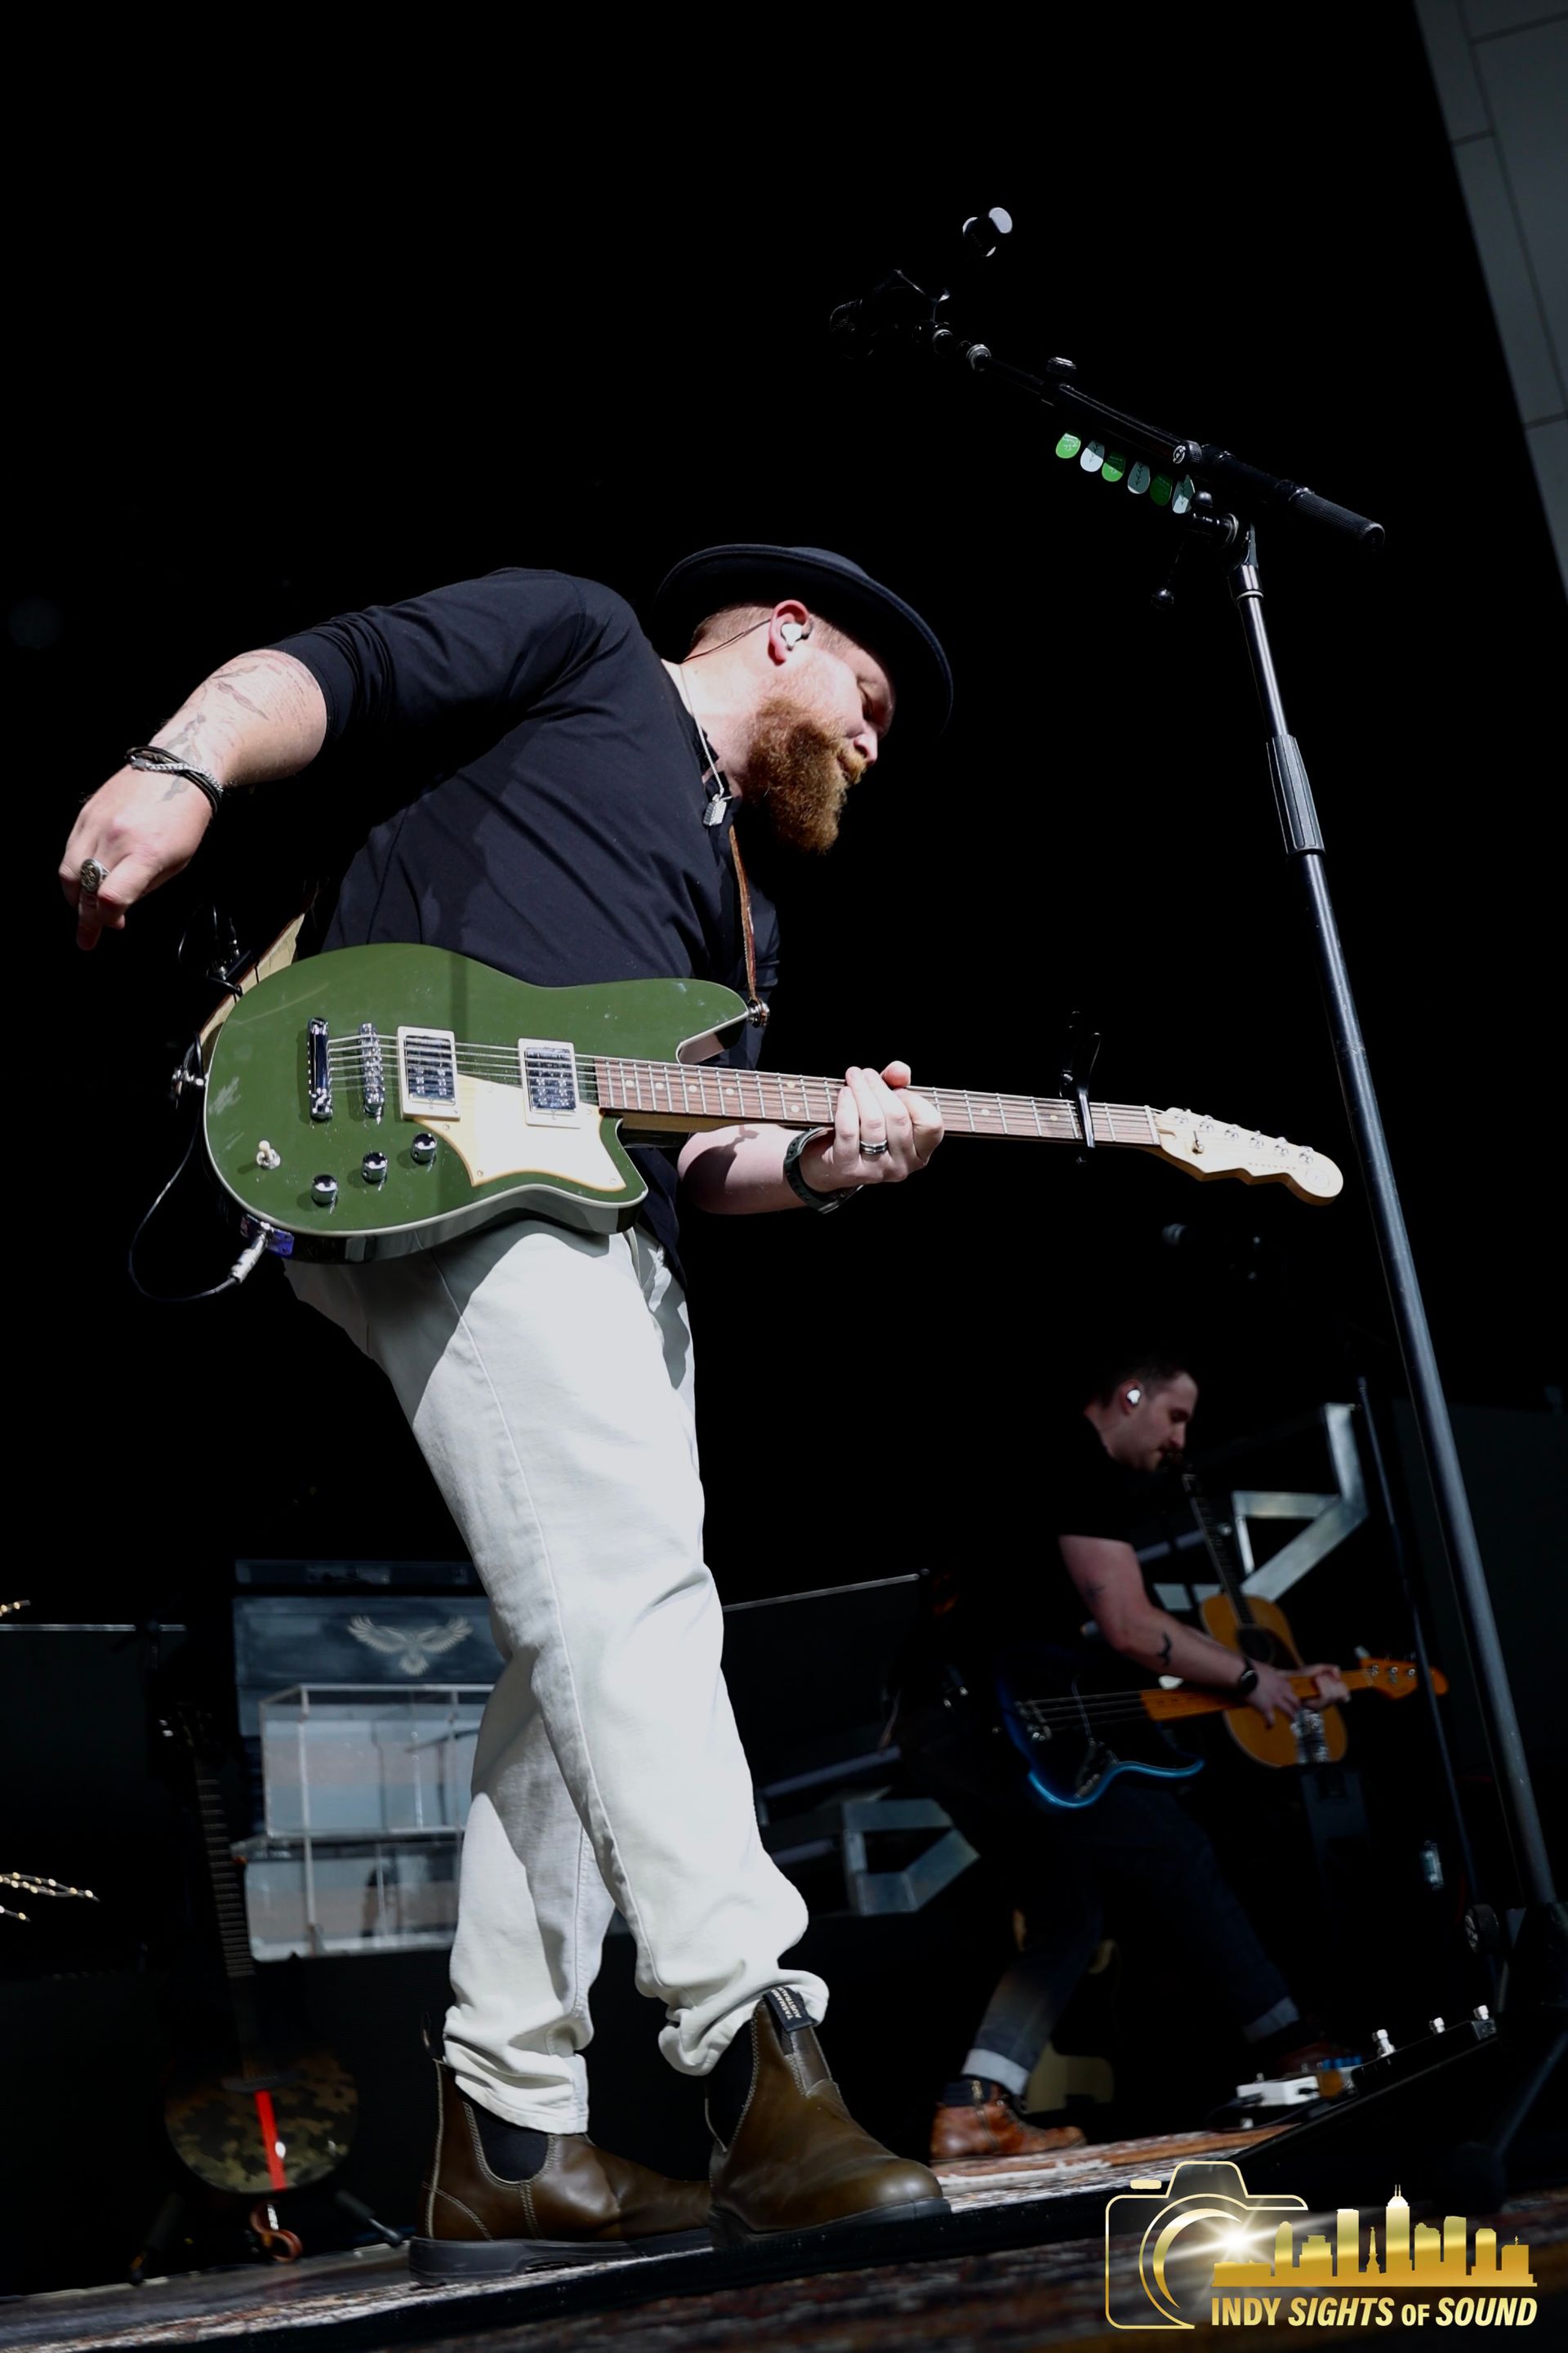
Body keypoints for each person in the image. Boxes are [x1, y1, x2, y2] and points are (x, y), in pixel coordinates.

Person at [61, 546, 959, 2271]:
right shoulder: (586, 646)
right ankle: (756, 2047)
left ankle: (515, 2135)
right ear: (788, 632)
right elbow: (342, 667)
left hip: (616, 1240)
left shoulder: (747, 915)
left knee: (580, 1648)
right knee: (634, 1600)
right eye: (870, 701)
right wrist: (180, 766)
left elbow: (706, 1150)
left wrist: (826, 1165)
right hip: (431, 1163)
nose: (871, 743)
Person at [893, 1348, 1349, 2162]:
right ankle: (1295, 2049)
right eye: (1175, 1415)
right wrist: (1256, 1678)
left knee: (1065, 1909)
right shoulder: (1075, 1460)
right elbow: (1132, 1627)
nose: (1180, 1440)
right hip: (1000, 1721)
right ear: (1130, 1394)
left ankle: (974, 2106)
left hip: (936, 1724)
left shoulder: (1023, 1467)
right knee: (1177, 1851)